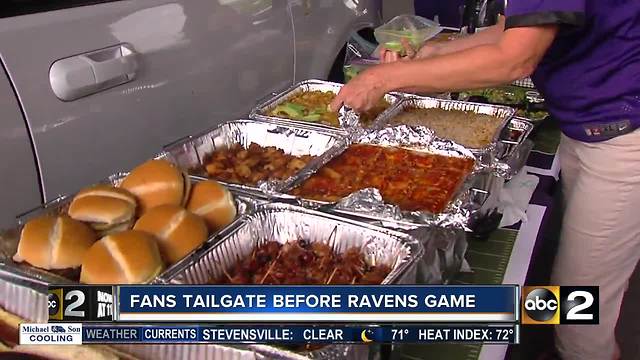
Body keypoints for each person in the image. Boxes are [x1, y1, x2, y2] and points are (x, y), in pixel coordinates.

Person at [329, 2, 640, 360]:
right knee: (576, 286)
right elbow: (508, 32)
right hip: (591, 127)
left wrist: (381, 78)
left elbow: (514, 59)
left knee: (582, 326)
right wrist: (432, 53)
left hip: (621, 135)